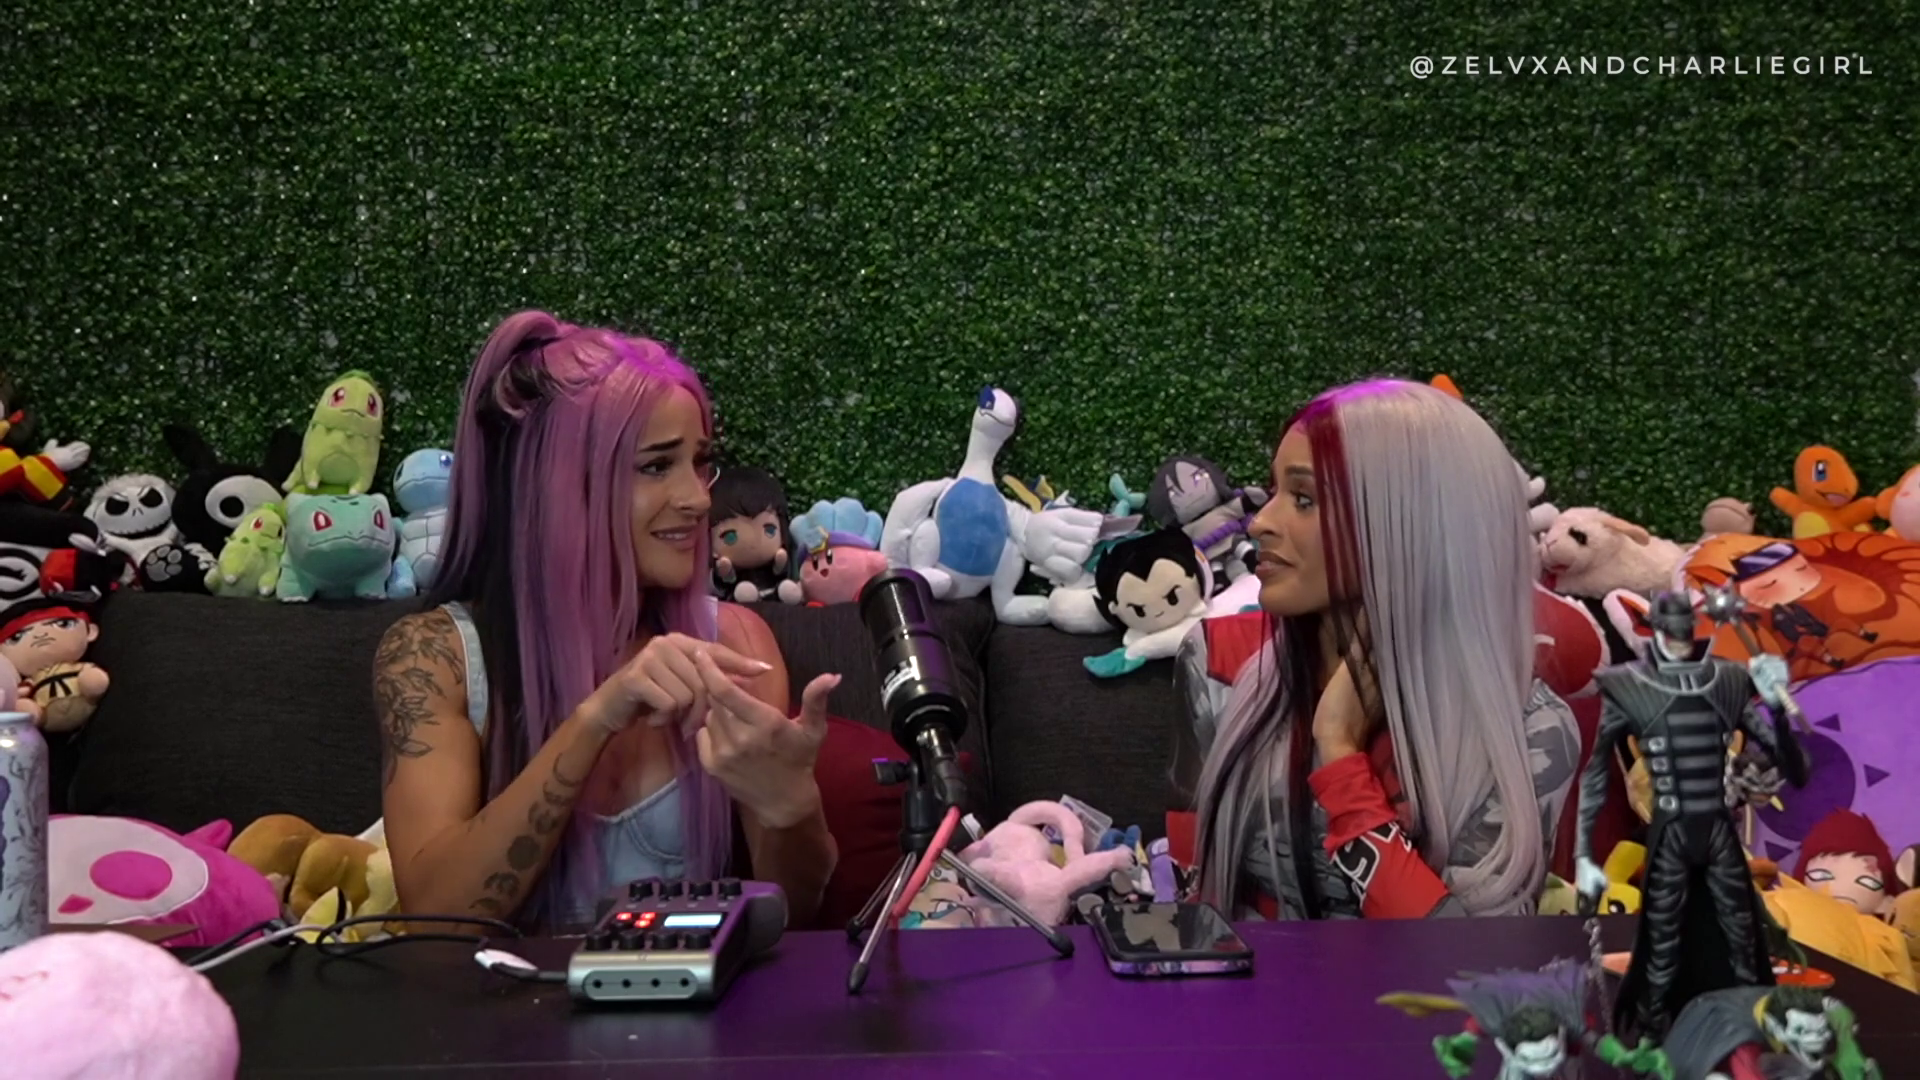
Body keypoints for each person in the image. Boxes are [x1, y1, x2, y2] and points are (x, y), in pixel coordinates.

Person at [374, 311, 839, 931]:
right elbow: (438, 918)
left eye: (700, 462)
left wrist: (791, 808)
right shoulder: (436, 656)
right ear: (561, 487)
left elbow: (796, 919)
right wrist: (596, 719)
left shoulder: (734, 642)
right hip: (500, 997)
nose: (698, 498)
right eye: (656, 466)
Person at [1176, 378, 1581, 920]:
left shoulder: (1530, 730)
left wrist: (1339, 755)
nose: (1262, 522)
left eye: (1304, 499)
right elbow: (1197, 900)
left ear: (1414, 527)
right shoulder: (1218, 663)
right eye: (1273, 492)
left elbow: (1467, 960)